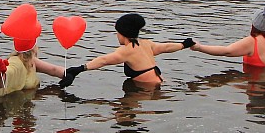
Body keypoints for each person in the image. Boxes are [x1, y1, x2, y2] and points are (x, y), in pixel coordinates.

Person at [59, 13, 190, 88]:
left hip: (147, 89)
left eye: (117, 32)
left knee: (122, 109)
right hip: (159, 81)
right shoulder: (146, 44)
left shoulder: (126, 51)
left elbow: (104, 60)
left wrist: (80, 69)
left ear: (122, 33)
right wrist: (183, 44)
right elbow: (166, 47)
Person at [190, 4, 265, 66]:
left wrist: (199, 47)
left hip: (255, 80)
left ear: (254, 24)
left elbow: (226, 51)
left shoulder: (252, 42)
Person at [0, 32, 67, 95]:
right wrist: (3, 72)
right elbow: (10, 70)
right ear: (34, 47)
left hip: (27, 101)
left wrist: (68, 73)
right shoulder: (16, 62)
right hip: (13, 104)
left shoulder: (31, 61)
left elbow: (54, 70)